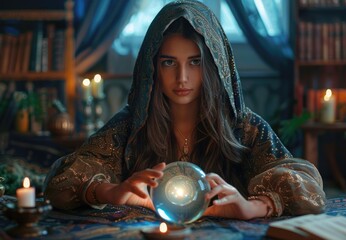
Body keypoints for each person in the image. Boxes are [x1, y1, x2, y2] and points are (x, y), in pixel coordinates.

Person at [44, 0, 325, 219]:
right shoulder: (130, 126)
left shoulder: (243, 126)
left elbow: (307, 187)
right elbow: (61, 180)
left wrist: (255, 207)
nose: (182, 78)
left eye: (194, 62)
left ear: (214, 67)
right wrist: (111, 191)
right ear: (152, 66)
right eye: (168, 62)